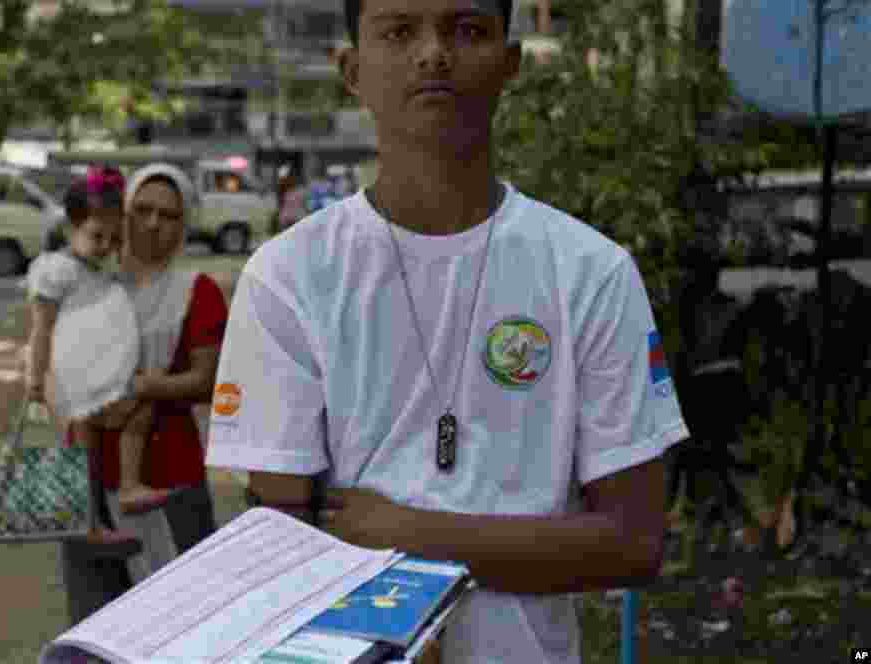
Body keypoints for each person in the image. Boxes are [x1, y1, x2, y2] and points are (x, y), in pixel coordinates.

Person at [205, 2, 687, 663]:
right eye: (400, 31)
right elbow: (284, 543)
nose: (433, 53)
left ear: (509, 64)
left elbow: (634, 544)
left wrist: (410, 533)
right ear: (352, 68)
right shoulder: (288, 277)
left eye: (467, 30)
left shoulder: (591, 273)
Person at [53, 162, 228, 625]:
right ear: (122, 213)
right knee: (94, 625)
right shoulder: (88, 278)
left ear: (185, 223)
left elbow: (209, 380)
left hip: (166, 484)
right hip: (86, 485)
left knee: (181, 627)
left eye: (169, 215)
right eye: (142, 209)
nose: (153, 222)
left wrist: (145, 385)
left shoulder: (197, 292)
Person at [26, 167, 170, 518]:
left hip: (101, 372)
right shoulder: (55, 270)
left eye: (115, 239)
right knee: (83, 447)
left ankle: (126, 488)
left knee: (139, 410)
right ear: (70, 228)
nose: (106, 247)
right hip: (69, 375)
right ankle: (88, 517)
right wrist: (35, 380)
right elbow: (41, 330)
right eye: (97, 236)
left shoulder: (101, 269)